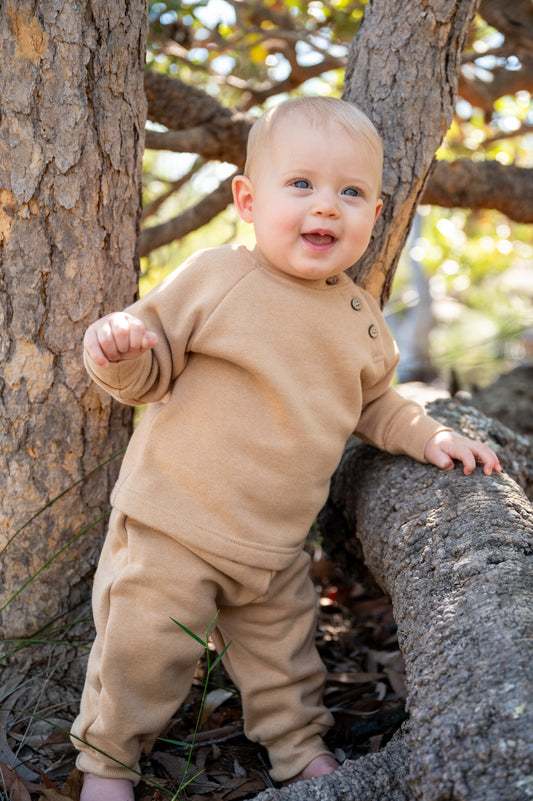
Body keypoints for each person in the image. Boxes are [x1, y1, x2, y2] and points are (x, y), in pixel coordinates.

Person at [72, 96, 501, 801]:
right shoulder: (216, 276)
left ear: (375, 214)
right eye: (300, 183)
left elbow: (375, 404)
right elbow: (149, 370)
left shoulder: (359, 318)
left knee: (287, 662)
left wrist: (430, 435)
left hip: (274, 547)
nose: (325, 205)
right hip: (176, 523)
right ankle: (108, 764)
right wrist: (117, 351)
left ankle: (297, 750)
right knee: (141, 650)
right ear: (247, 199)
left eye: (350, 192)